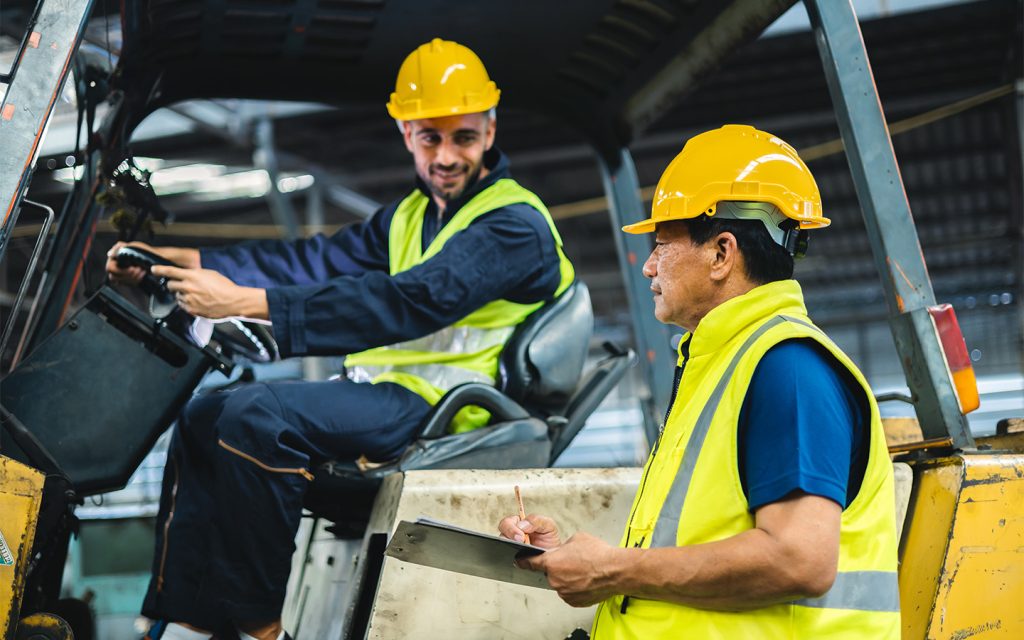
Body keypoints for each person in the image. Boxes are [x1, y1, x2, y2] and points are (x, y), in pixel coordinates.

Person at [108, 38, 574, 640]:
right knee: (203, 413)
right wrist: (178, 260)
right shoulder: (411, 215)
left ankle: (263, 627)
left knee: (256, 416)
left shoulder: (511, 224)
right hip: (386, 390)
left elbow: (407, 302)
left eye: (463, 136)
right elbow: (315, 262)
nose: (448, 155)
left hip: (447, 404)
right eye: (430, 137)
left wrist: (247, 304)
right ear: (406, 133)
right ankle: (191, 615)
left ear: (489, 127)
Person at [499, 125, 899, 639]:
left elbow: (799, 560)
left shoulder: (787, 368)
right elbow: (694, 548)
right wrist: (581, 561)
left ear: (721, 253)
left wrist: (611, 569)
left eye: (661, 245)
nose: (647, 267)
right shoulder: (721, 365)